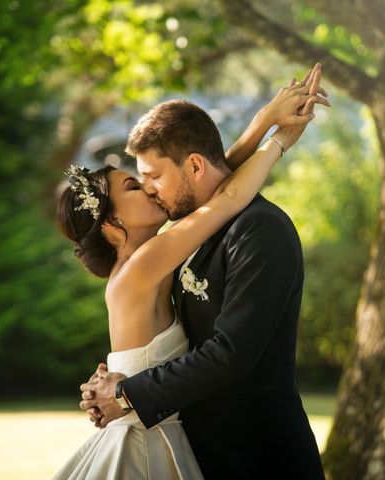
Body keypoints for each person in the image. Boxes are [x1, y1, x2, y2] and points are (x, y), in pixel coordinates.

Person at [54, 64, 328, 479]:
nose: (148, 188)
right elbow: (219, 188)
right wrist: (272, 134)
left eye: (150, 178)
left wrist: (270, 131)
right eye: (136, 184)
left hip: (256, 455)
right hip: (172, 443)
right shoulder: (157, 252)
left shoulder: (254, 229)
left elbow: (218, 183)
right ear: (112, 224)